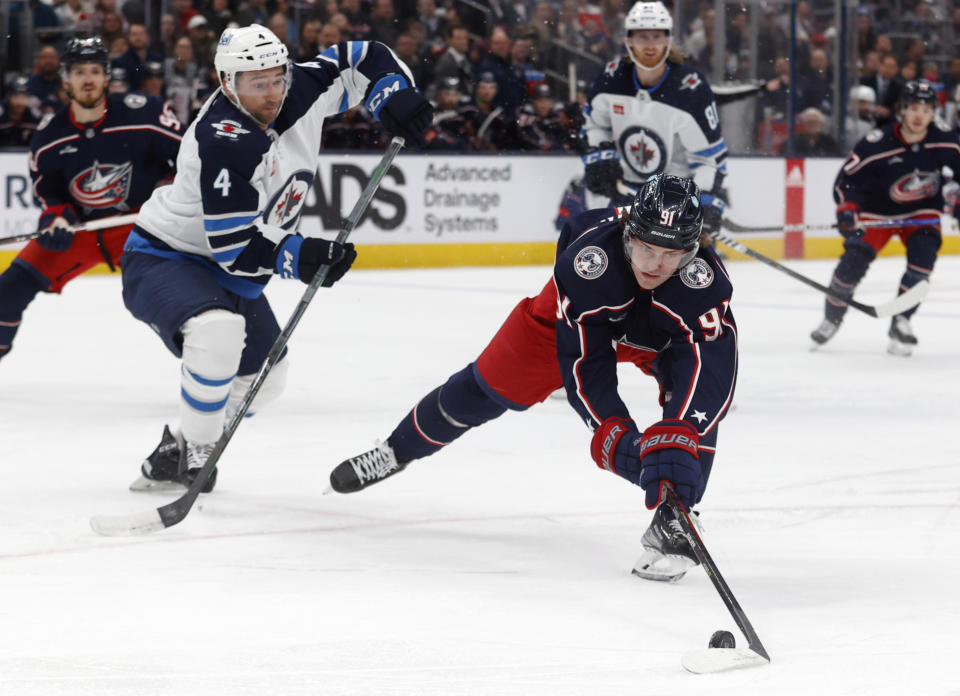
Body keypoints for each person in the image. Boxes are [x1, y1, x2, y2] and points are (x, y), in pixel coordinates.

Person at [329, 174, 738, 582]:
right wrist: (613, 433)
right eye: (645, 248)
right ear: (627, 231)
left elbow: (710, 372)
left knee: (689, 419)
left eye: (671, 255)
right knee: (483, 389)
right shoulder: (588, 263)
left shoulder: (703, 284)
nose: (655, 265)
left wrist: (681, 432)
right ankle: (396, 451)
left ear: (692, 250)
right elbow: (586, 364)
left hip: (658, 334)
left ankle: (675, 517)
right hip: (573, 323)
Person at [122, 24, 432, 493]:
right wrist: (301, 254)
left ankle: (181, 445)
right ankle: (199, 453)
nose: (272, 93)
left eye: (277, 78)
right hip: (167, 258)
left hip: (235, 270)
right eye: (257, 84)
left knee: (265, 378)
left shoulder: (299, 87)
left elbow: (361, 55)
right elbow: (234, 248)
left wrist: (391, 91)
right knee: (216, 333)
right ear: (228, 84)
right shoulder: (223, 139)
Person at [0, 37, 183, 363]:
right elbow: (49, 191)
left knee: (175, 301)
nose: (88, 79)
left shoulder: (146, 113)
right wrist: (56, 218)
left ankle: (208, 367)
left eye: (95, 71)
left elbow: (188, 161)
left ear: (106, 76)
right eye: (79, 71)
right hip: (80, 231)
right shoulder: (48, 136)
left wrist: (168, 195)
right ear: (65, 79)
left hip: (140, 228)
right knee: (8, 290)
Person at [810, 79, 960, 356]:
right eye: (914, 108)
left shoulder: (946, 140)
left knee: (923, 260)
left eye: (926, 110)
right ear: (902, 109)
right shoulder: (876, 143)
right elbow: (847, 181)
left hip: (921, 212)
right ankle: (831, 319)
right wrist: (847, 209)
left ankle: (902, 320)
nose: (919, 116)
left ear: (934, 113)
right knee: (852, 264)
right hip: (876, 212)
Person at [580, 1, 729, 238]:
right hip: (625, 197)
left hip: (673, 205)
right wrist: (600, 156)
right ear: (628, 40)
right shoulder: (611, 78)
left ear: (668, 40)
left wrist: (704, 202)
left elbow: (709, 159)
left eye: (657, 37)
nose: (650, 45)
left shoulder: (690, 88)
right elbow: (595, 126)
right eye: (642, 37)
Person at [0, 76, 42, 148]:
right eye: (16, 96)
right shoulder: (1, 114)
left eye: (24, 97)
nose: (20, 102)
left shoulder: (34, 118)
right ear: (8, 97)